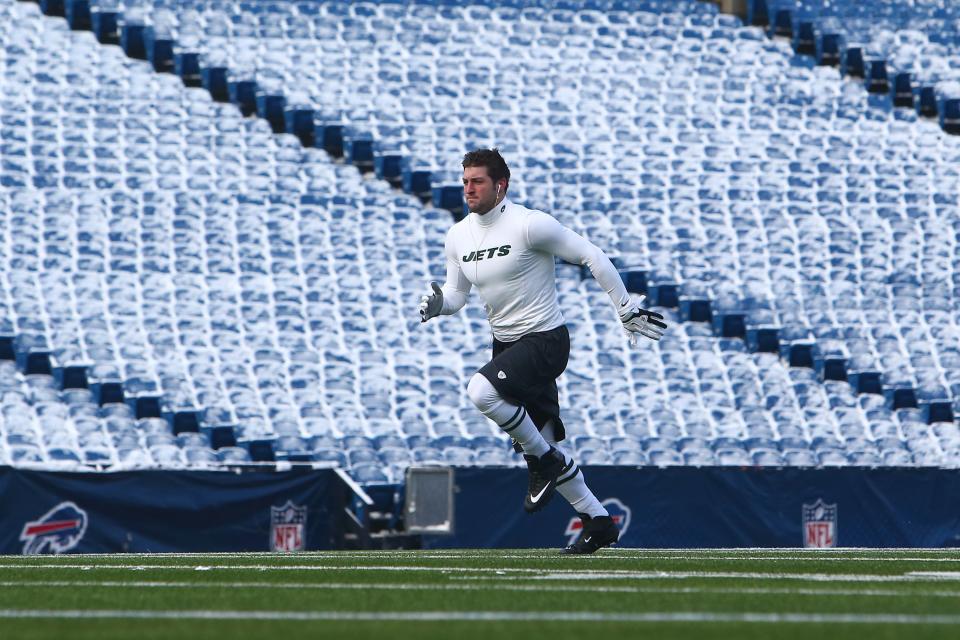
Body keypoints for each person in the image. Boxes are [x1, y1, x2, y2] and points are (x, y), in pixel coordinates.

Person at [418, 148, 667, 554]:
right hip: (507, 345)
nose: (468, 189)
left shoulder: (530, 224)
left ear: (501, 185)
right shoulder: (458, 235)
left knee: (481, 392)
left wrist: (624, 306)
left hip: (546, 341)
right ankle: (598, 521)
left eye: (477, 181)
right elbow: (457, 294)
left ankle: (544, 462)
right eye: (465, 181)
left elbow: (591, 254)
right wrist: (438, 305)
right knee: (546, 440)